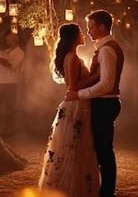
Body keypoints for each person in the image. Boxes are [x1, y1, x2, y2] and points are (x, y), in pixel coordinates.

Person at [66, 10, 124, 197]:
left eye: (91, 27)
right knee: (101, 149)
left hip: (105, 104)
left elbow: (106, 84)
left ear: (102, 27)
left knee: (104, 151)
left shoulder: (107, 50)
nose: (89, 31)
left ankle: (107, 192)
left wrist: (80, 94)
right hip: (104, 103)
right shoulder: (105, 47)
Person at [38, 23, 100, 197]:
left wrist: (93, 67)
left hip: (80, 104)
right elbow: (73, 86)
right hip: (76, 107)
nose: (84, 35)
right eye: (80, 32)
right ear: (73, 37)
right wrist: (96, 75)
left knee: (78, 147)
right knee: (74, 147)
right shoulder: (72, 57)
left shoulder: (73, 56)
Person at [0, 33, 24, 138]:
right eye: (7, 39)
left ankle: (9, 132)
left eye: (9, 40)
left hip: (10, 84)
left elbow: (10, 65)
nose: (7, 42)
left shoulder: (20, 53)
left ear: (15, 40)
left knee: (9, 109)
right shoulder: (6, 51)